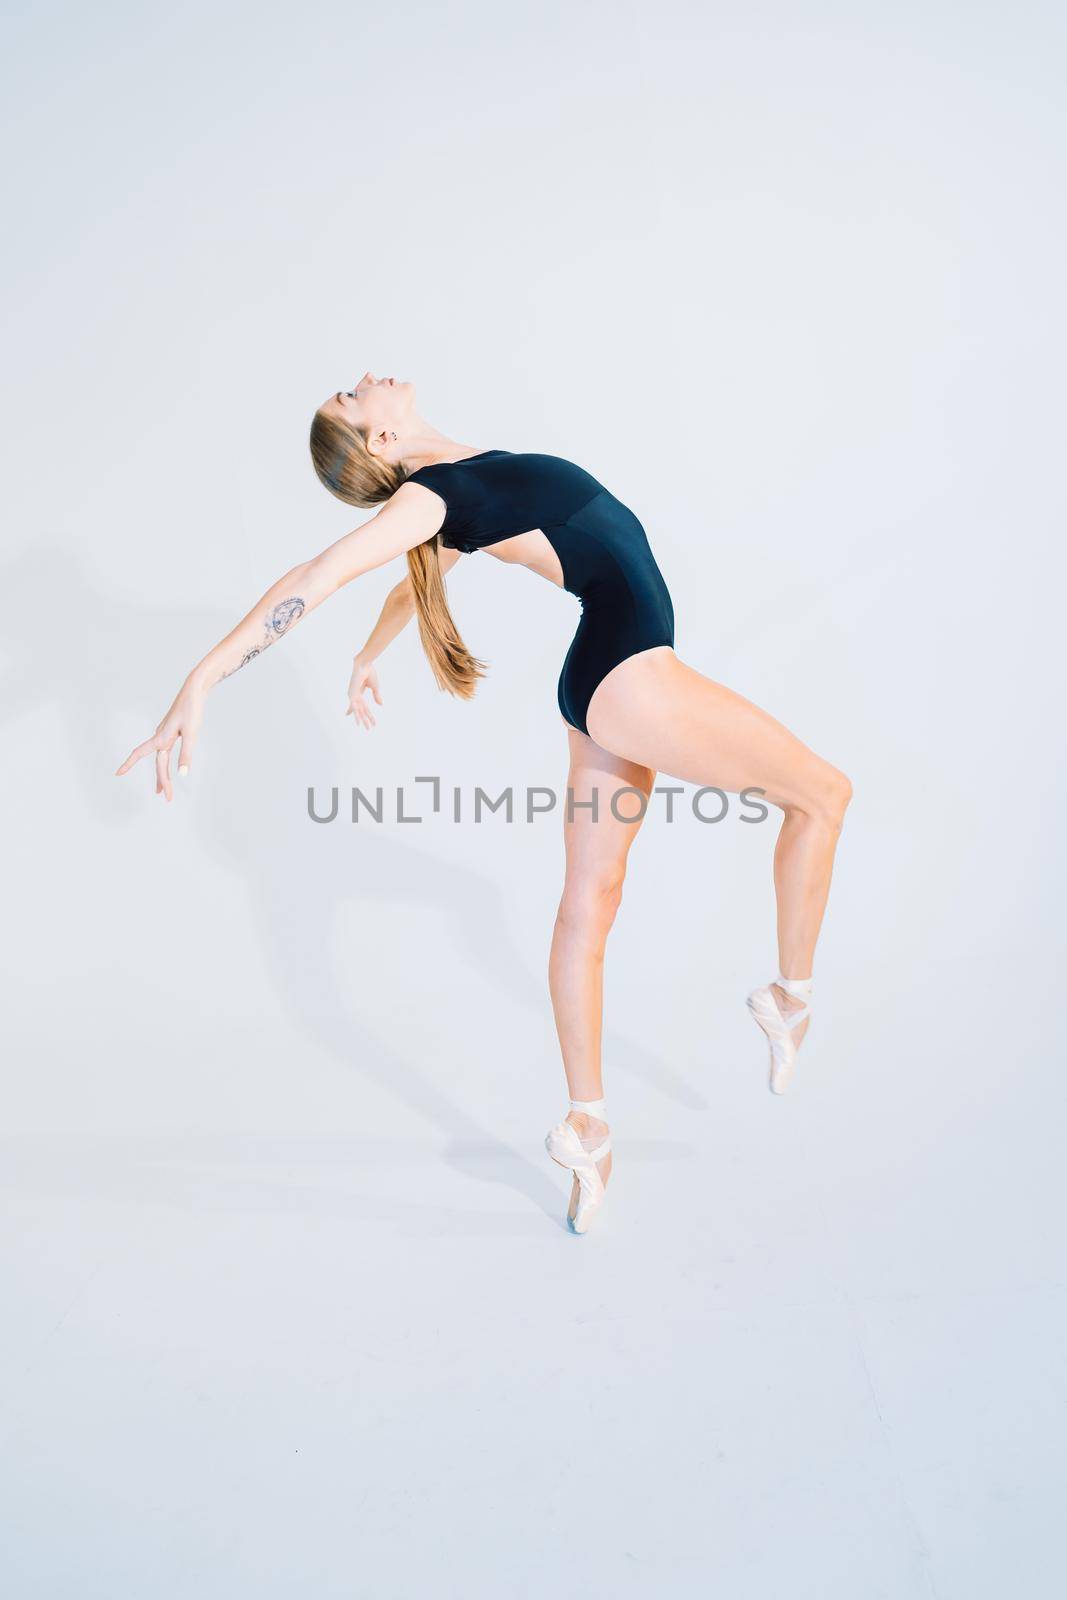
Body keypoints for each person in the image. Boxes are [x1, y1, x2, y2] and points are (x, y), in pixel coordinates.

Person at [117, 371, 852, 1234]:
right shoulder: (428, 498)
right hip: (631, 675)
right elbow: (316, 575)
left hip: (599, 684)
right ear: (378, 445)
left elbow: (410, 585)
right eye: (352, 400)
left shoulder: (460, 482)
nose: (361, 383)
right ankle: (790, 995)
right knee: (822, 796)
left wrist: (370, 654)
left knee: (589, 908)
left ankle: (588, 1125)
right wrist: (201, 679)